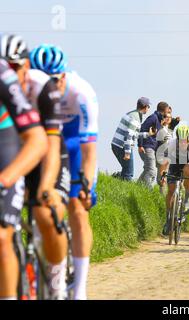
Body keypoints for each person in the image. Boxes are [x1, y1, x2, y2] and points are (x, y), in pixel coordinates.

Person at [1, 35, 70, 299]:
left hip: (47, 153)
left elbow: (50, 144)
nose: (11, 72)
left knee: (45, 213)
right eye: (6, 65)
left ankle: (56, 284)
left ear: (27, 66)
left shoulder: (43, 87)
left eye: (16, 66)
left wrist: (45, 187)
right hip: (13, 153)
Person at [31, 44, 99, 299]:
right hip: (44, 142)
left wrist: (86, 186)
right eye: (43, 81)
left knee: (79, 210)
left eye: (55, 81)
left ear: (65, 75)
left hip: (72, 144)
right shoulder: (29, 91)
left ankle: (79, 287)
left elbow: (89, 151)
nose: (49, 88)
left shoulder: (81, 93)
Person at [0, 56, 48, 300]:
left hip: (6, 153)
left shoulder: (3, 75)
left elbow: (39, 140)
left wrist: (5, 179)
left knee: (1, 237)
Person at [159, 124, 189, 235]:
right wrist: (162, 175)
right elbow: (165, 162)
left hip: (187, 164)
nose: (183, 143)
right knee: (171, 190)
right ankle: (169, 217)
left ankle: (187, 196)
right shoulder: (171, 144)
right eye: (180, 141)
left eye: (185, 141)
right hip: (174, 164)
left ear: (188, 139)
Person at [111, 97, 154, 181]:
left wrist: (148, 134)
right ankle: (125, 191)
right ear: (145, 107)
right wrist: (127, 152)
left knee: (126, 170)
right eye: (148, 107)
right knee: (128, 173)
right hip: (122, 146)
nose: (148, 109)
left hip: (116, 144)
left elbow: (134, 134)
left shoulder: (132, 114)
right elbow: (129, 136)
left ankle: (115, 178)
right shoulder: (135, 118)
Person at [138, 101, 170, 187]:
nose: (167, 114)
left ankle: (137, 186)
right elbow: (142, 130)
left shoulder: (159, 121)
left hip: (152, 148)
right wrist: (140, 145)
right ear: (164, 110)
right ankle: (148, 190)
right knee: (152, 171)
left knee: (148, 170)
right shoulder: (153, 118)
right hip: (147, 147)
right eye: (167, 111)